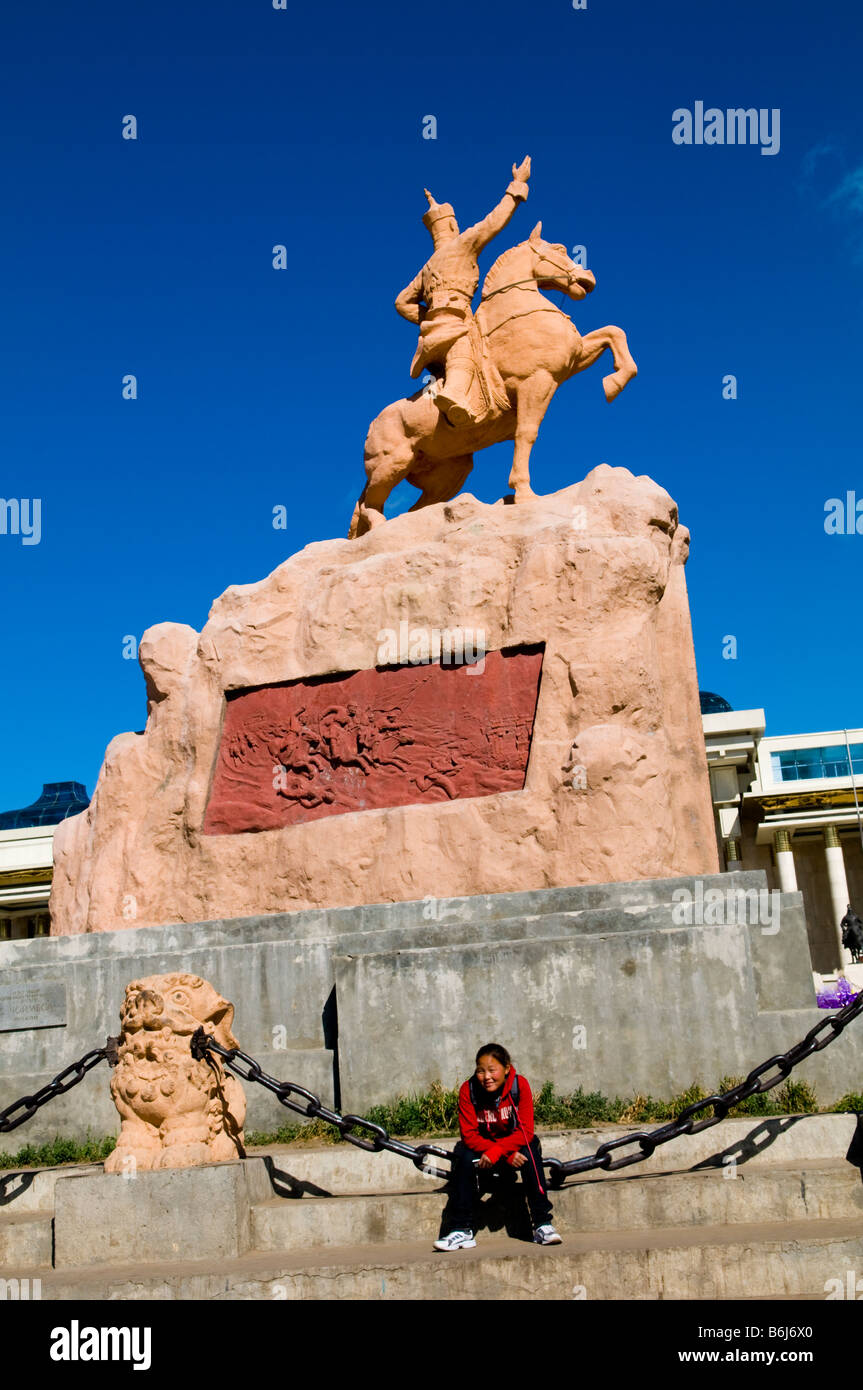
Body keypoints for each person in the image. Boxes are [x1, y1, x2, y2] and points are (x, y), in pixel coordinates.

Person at [434, 1042, 562, 1250]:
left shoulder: (519, 1086)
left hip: (514, 1142)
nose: (486, 1077)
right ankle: (461, 1229)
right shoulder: (468, 1090)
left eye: (492, 1070)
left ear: (507, 1068)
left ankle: (542, 1224)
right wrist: (503, 1155)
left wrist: (501, 1152)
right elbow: (469, 1135)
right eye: (480, 1071)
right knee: (464, 1159)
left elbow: (525, 1131)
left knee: (530, 1150)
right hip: (482, 1146)